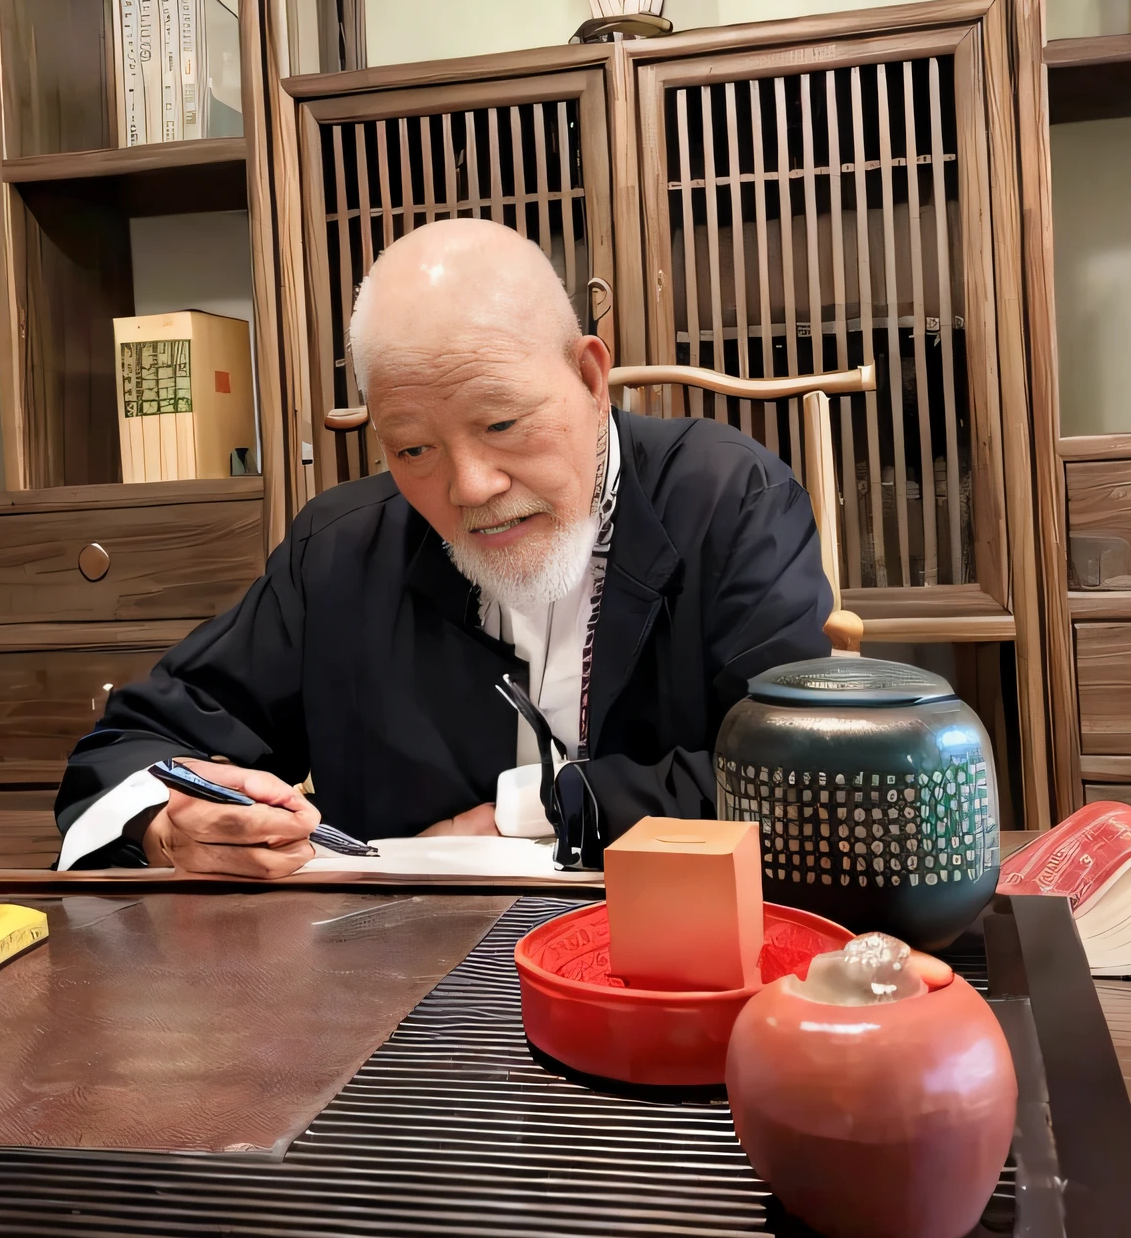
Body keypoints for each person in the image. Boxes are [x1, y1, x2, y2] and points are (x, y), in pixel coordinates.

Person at [55, 218, 833, 875]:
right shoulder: (340, 550)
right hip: (397, 981)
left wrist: (529, 811)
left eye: (501, 424)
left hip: (674, 962)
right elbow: (135, 745)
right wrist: (169, 826)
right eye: (413, 450)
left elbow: (797, 776)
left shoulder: (727, 499)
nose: (469, 488)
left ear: (591, 379)